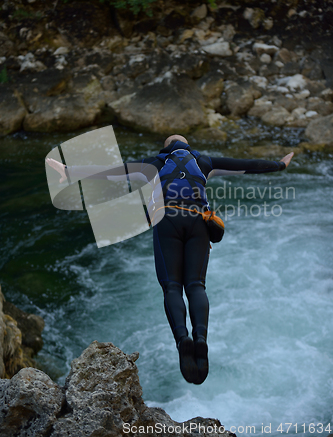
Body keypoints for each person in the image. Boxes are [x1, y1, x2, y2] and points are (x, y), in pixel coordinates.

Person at [46, 134, 294, 385]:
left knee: (172, 286)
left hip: (167, 222)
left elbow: (113, 171)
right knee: (196, 286)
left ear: (164, 148)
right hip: (198, 221)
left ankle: (182, 340)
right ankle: (201, 339)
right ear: (187, 146)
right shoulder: (205, 162)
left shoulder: (153, 164)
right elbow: (246, 165)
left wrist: (70, 172)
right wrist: (279, 165)